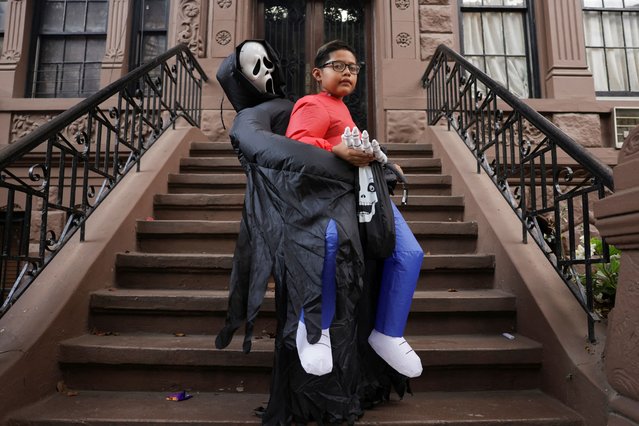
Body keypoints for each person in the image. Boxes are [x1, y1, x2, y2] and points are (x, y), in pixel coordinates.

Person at [285, 40, 424, 381]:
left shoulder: (342, 108)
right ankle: (315, 330)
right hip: (331, 198)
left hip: (366, 193)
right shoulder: (313, 104)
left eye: (354, 68)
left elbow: (352, 148)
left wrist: (384, 160)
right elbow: (295, 142)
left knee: (409, 252)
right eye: (339, 66)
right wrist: (335, 148)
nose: (348, 72)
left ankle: (389, 333)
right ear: (318, 74)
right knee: (329, 247)